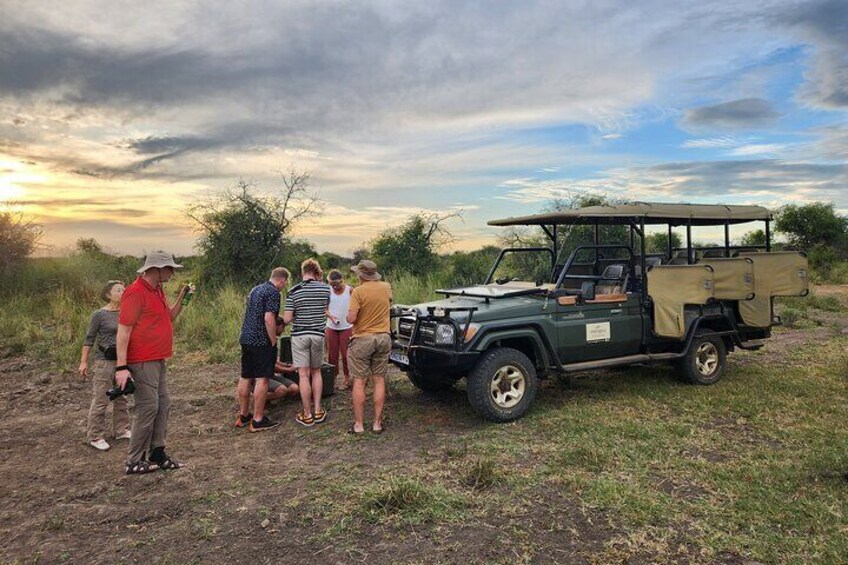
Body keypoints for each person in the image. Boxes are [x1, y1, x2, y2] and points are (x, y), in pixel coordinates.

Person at [115, 251, 190, 475]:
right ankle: (134, 460)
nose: (173, 272)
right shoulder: (135, 292)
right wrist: (121, 367)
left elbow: (169, 317)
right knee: (147, 407)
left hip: (158, 358)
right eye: (169, 268)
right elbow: (123, 331)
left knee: (163, 405)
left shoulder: (157, 290)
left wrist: (184, 298)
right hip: (142, 360)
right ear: (155, 269)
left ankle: (157, 453)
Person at [236, 267, 290, 432]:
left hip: (246, 338)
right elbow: (269, 318)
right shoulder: (274, 293)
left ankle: (244, 415)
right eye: (285, 283)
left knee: (246, 376)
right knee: (262, 379)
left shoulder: (256, 289)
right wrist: (273, 340)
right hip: (261, 341)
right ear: (282, 280)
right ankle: (258, 419)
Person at [79, 280, 130, 451]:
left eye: (124, 289)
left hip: (122, 360)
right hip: (104, 360)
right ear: (108, 294)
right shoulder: (99, 314)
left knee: (122, 396)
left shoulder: (126, 313)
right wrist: (83, 361)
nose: (122, 292)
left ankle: (121, 429)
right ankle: (95, 436)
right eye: (118, 290)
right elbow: (89, 339)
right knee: (101, 398)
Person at [346, 259, 393, 434]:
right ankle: (377, 424)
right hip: (383, 337)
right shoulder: (386, 286)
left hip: (363, 339)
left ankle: (359, 425)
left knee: (360, 380)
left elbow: (351, 319)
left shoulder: (358, 292)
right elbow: (389, 303)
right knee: (379, 379)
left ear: (361, 275)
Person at [284, 258, 331, 427]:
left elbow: (288, 319)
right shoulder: (326, 289)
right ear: (317, 272)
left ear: (302, 271)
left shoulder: (293, 291)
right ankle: (318, 409)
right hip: (318, 335)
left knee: (303, 374)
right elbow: (325, 309)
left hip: (300, 336)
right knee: (316, 372)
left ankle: (307, 414)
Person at [325, 269, 353, 389]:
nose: (335, 287)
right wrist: (330, 316)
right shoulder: (327, 291)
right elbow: (324, 308)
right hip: (331, 326)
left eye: (337, 284)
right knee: (332, 354)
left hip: (346, 327)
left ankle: (347, 377)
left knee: (346, 353)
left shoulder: (350, 290)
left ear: (342, 280)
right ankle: (333, 378)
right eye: (332, 284)